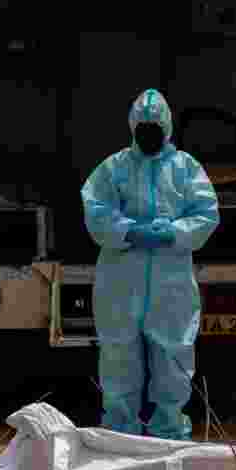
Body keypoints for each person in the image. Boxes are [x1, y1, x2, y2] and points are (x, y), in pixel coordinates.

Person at [80, 88, 220, 440]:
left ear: (167, 129)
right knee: (118, 356)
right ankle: (119, 433)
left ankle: (169, 432)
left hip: (170, 283)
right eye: (142, 129)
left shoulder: (186, 169)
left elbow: (206, 214)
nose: (148, 135)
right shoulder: (113, 169)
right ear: (132, 129)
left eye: (154, 129)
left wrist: (173, 232)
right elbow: (95, 211)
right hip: (120, 281)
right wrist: (129, 231)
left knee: (173, 355)